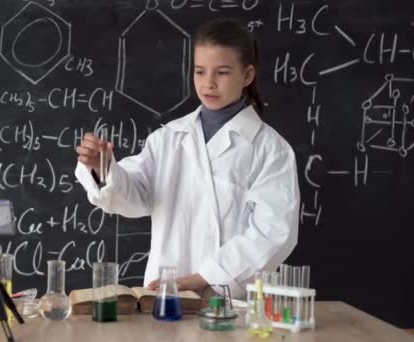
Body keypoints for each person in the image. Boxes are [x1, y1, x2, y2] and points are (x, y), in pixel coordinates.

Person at [75, 17, 299, 298]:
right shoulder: (169, 139)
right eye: (200, 71)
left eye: (223, 72)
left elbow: (272, 234)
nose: (209, 83)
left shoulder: (270, 150)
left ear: (248, 75)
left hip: (228, 303)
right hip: (163, 298)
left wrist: (203, 277)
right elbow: (135, 196)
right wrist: (103, 169)